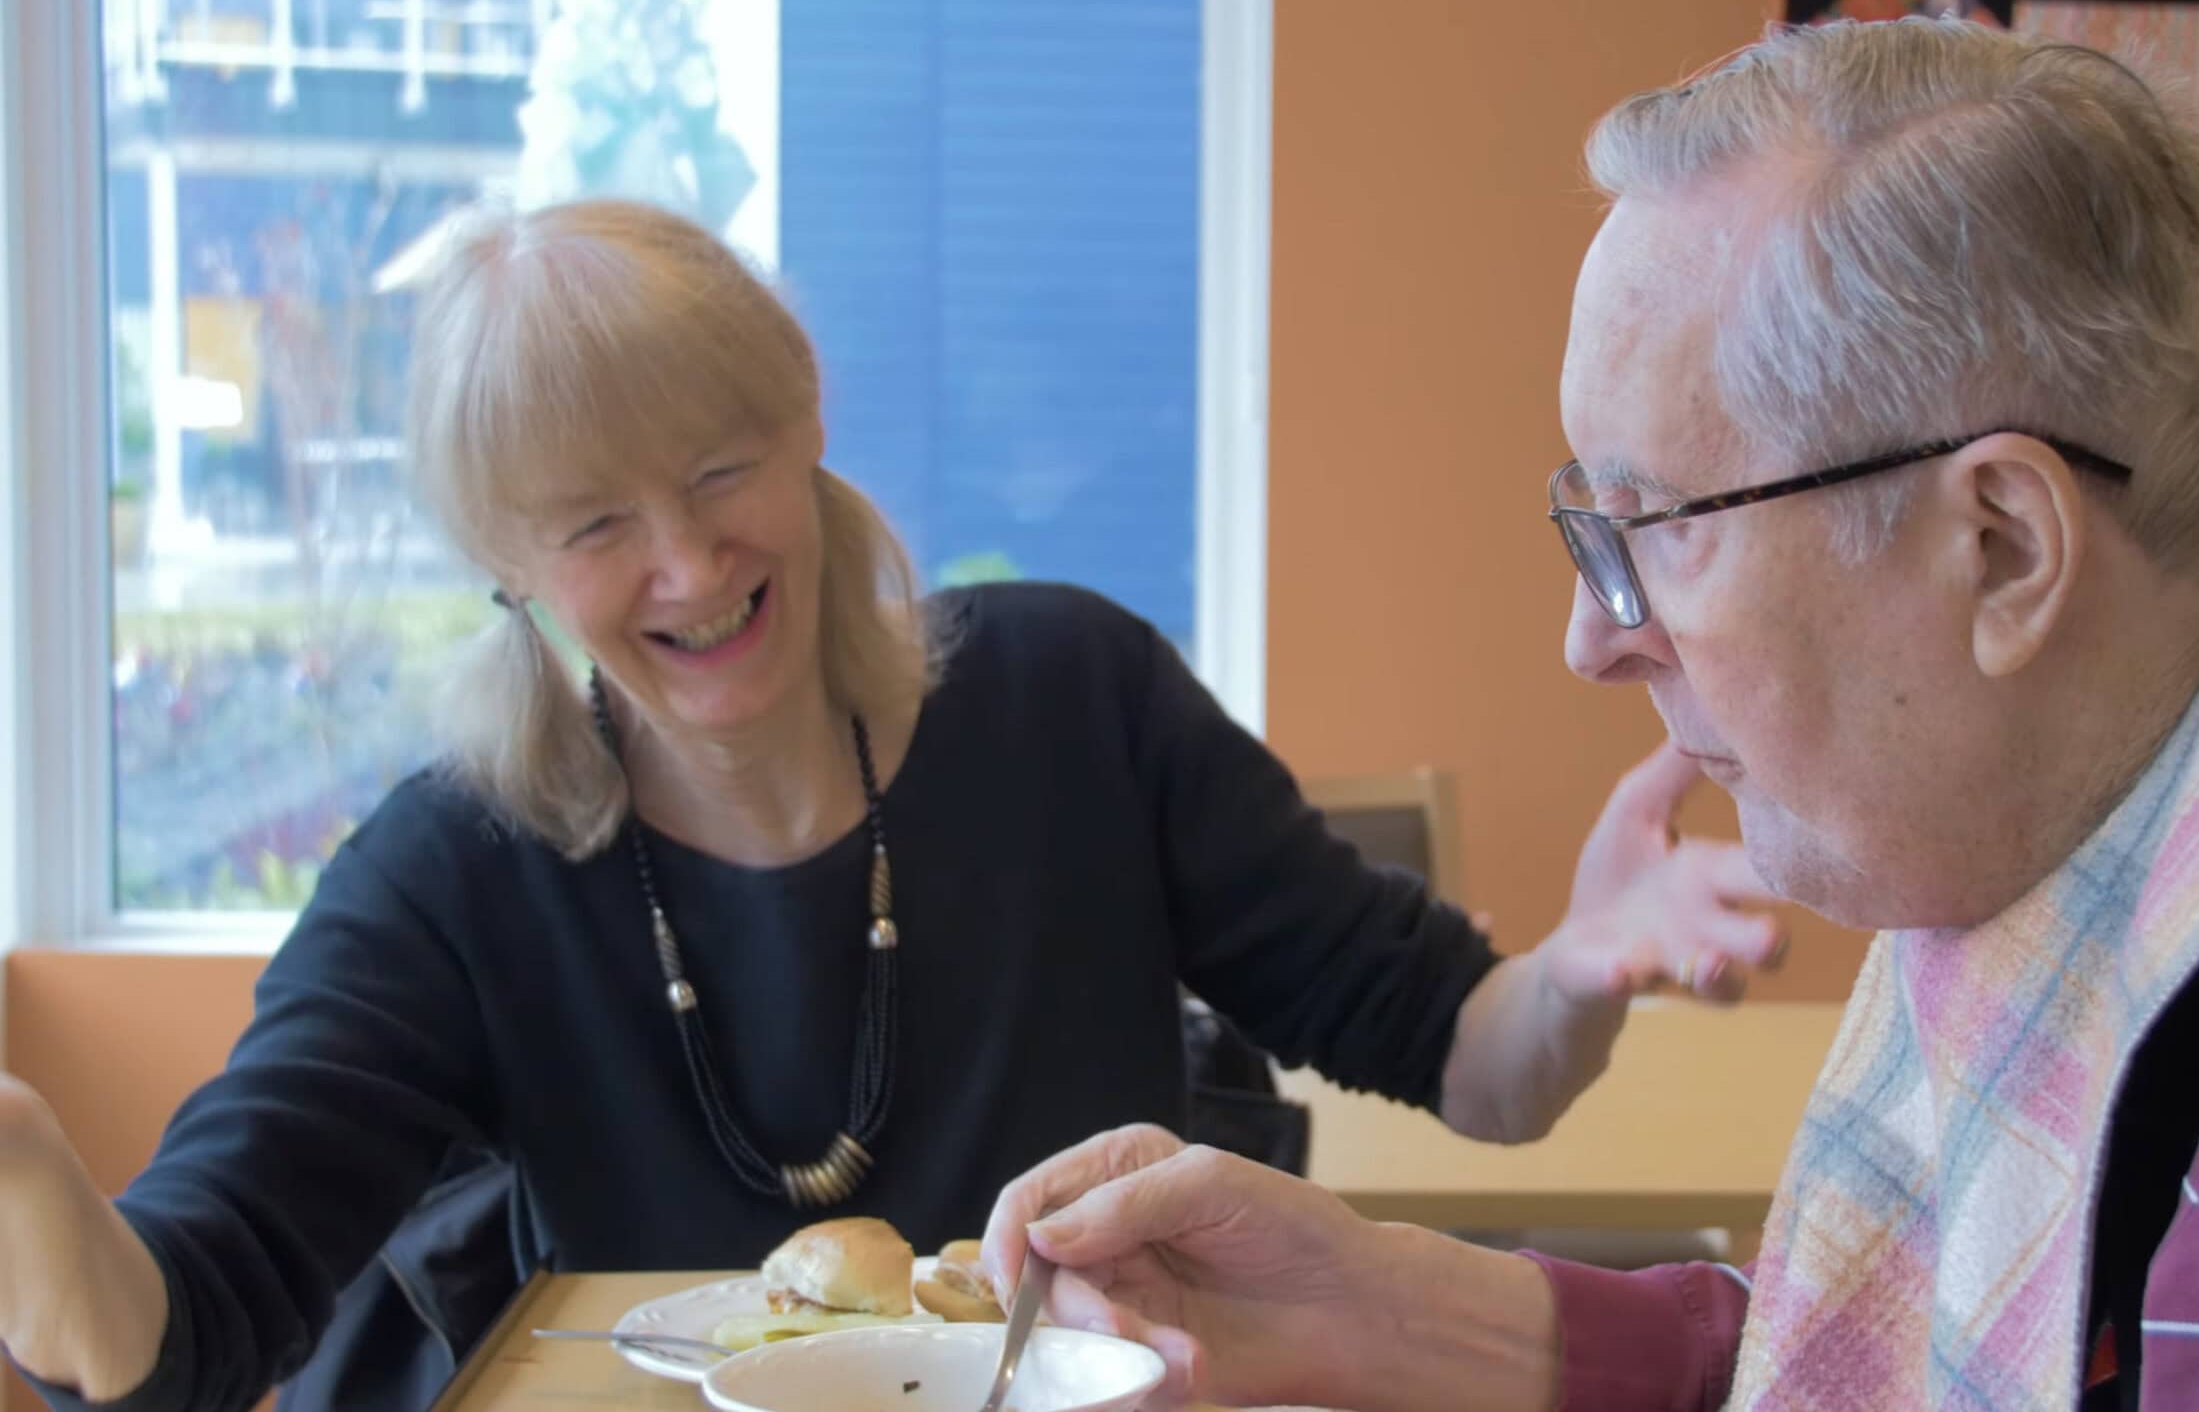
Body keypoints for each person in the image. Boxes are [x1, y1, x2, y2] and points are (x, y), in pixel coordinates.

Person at [981, 17, 2199, 1412]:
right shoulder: (2165, 749)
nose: (1592, 646)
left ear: (2001, 545)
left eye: (1651, 530)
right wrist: (1389, 1306)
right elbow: (1933, 1360)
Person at [0, 198, 1788, 1412]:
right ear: (510, 568)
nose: (693, 563)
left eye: (721, 471)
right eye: (596, 525)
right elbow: (183, 1328)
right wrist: (27, 1180)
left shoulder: (1070, 696)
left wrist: (1575, 972)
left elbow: (1473, 1068)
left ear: (806, 428)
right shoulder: (455, 867)